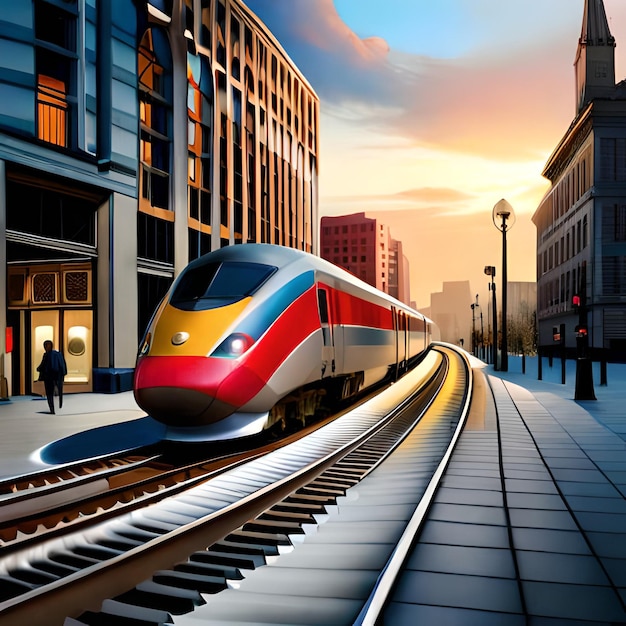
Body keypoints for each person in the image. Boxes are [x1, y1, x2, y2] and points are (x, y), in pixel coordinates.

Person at [37, 340, 67, 414]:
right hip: (59, 376)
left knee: (49, 393)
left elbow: (43, 366)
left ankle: (52, 409)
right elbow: (63, 365)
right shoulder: (59, 354)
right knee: (60, 391)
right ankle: (60, 405)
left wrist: (38, 369)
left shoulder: (46, 355)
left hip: (49, 377)